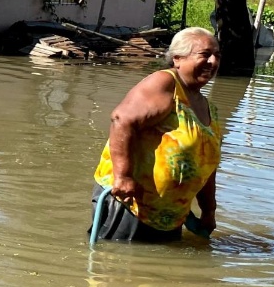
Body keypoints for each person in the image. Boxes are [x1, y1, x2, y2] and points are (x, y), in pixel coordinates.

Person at [89, 27, 223, 242]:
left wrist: (209, 211)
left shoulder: (209, 108)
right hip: (130, 203)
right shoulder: (165, 83)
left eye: (217, 55)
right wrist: (122, 177)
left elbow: (207, 167)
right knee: (115, 268)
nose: (213, 62)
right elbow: (122, 120)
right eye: (205, 54)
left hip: (171, 215)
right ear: (178, 58)